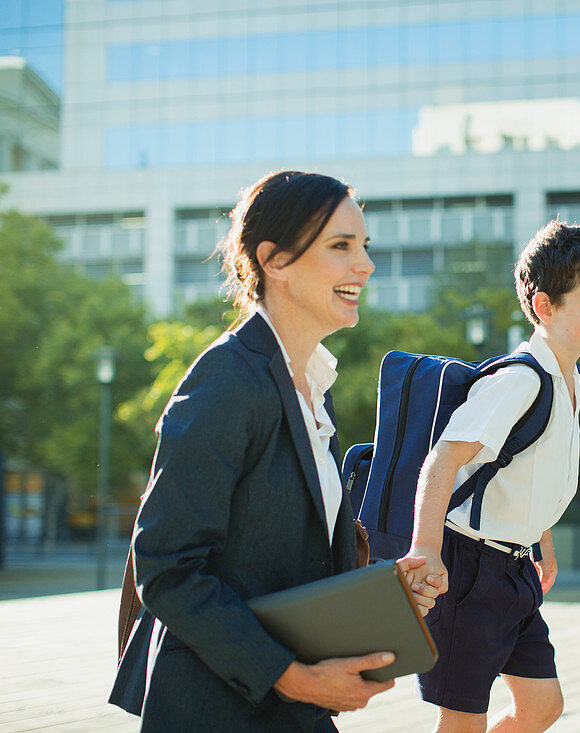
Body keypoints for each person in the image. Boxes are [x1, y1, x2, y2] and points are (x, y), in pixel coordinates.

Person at [110, 170, 439, 732]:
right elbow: (166, 565)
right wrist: (292, 676)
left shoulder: (312, 383)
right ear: (274, 260)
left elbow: (281, 553)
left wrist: (382, 589)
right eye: (341, 246)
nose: (365, 265)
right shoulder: (226, 381)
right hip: (216, 709)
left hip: (290, 710)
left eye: (364, 247)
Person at [402, 219, 580, 733]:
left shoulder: (570, 377)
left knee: (542, 706)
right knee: (463, 723)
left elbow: (523, 469)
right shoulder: (519, 380)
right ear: (545, 306)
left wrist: (541, 540)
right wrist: (426, 549)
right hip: (468, 569)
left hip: (514, 566)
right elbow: (443, 461)